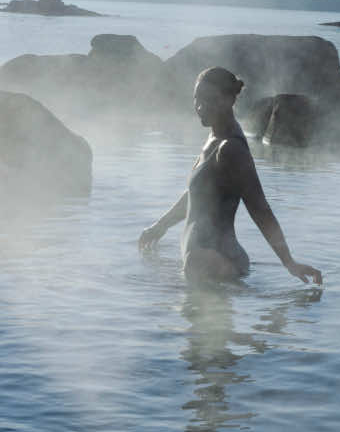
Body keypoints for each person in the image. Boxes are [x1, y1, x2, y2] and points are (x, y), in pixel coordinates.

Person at [138, 67, 323, 285]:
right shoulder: (213, 139)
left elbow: (259, 207)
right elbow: (196, 194)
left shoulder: (231, 149)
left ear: (226, 100)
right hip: (205, 262)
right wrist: (160, 226)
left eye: (207, 99)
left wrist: (288, 262)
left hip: (216, 261)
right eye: (196, 99)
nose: (199, 106)